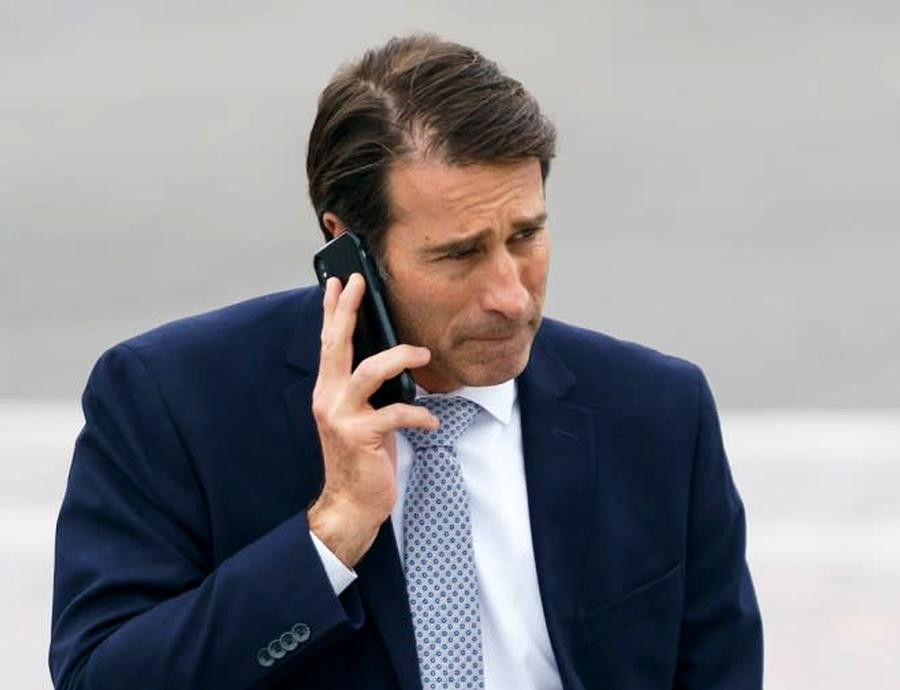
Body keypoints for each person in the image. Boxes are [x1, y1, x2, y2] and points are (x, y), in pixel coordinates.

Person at [49, 33, 763, 689]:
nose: (511, 296)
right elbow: (99, 677)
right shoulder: (172, 400)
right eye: (459, 254)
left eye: (525, 236)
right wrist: (331, 532)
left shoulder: (659, 413)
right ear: (346, 245)